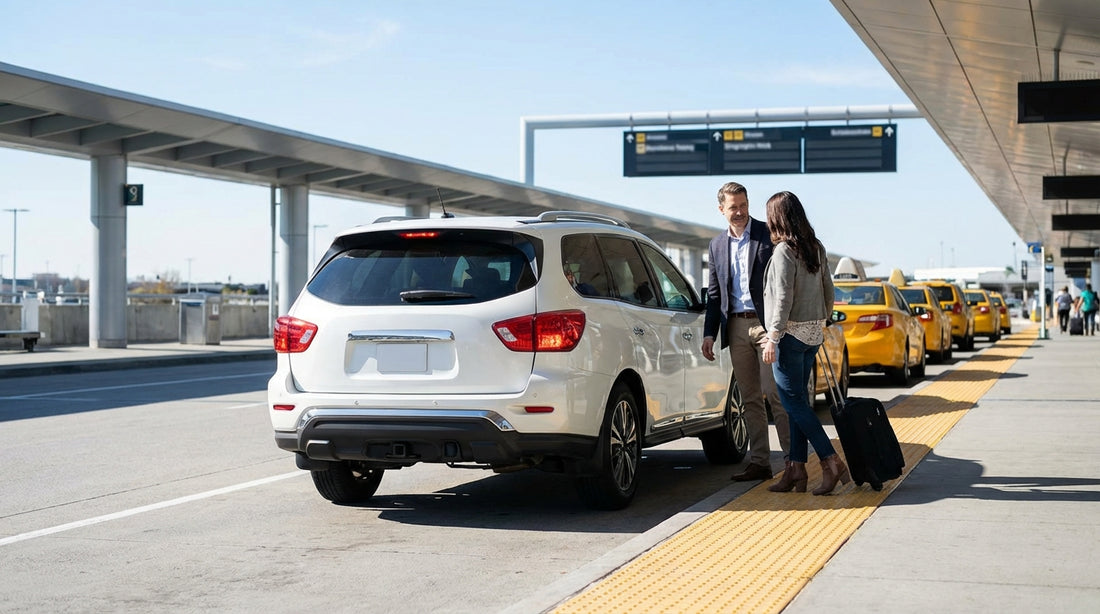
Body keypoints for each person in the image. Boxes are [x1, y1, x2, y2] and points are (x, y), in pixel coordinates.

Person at [759, 190, 850, 496]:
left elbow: (783, 296)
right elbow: (829, 290)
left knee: (793, 403)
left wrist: (773, 336)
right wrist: (820, 321)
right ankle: (796, 470)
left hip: (789, 336)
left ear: (777, 218)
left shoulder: (785, 251)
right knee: (799, 404)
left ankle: (831, 461)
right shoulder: (815, 247)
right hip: (812, 336)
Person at [701, 181, 789, 482]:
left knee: (775, 394)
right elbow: (714, 294)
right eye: (733, 207)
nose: (739, 212)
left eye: (743, 205)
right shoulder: (716, 245)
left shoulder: (769, 235)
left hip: (766, 325)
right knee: (750, 398)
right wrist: (709, 334)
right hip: (736, 326)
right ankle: (760, 462)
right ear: (721, 209)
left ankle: (792, 462)